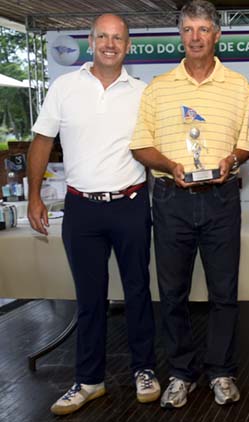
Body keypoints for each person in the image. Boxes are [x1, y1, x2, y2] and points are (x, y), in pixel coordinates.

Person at [27, 14, 159, 416]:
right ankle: (89, 381)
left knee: (137, 291)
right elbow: (42, 141)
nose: (109, 43)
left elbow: (156, 147)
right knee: (89, 299)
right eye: (102, 36)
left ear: (128, 45)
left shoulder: (143, 92)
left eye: (117, 38)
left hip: (131, 204)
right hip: (81, 208)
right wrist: (34, 196)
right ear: (89, 40)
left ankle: (145, 370)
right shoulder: (64, 87)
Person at [129, 0, 249, 409]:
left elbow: (248, 143)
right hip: (170, 199)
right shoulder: (158, 87)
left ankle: (221, 372)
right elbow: (140, 144)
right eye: (188, 30)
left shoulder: (238, 85)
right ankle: (181, 373)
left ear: (217, 34)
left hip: (220, 198)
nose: (196, 37)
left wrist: (231, 160)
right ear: (179, 35)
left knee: (224, 292)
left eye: (204, 29)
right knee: (172, 292)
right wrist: (168, 165)